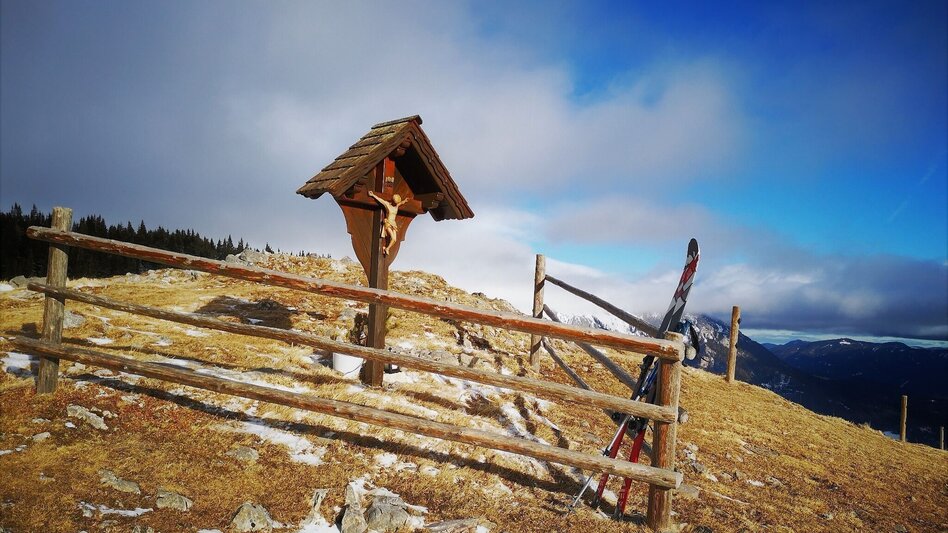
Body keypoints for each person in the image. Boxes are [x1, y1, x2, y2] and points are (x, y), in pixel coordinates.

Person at [367, 191, 409, 256]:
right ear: (393, 201)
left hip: (394, 224)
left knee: (394, 240)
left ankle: (386, 248)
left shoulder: (397, 206)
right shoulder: (387, 205)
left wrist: (405, 201)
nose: (396, 204)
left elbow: (401, 203)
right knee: (393, 238)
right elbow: (380, 200)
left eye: (396, 203)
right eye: (395, 202)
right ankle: (387, 249)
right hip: (388, 223)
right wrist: (373, 195)